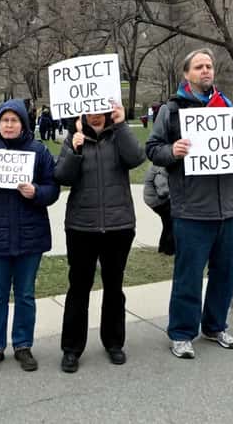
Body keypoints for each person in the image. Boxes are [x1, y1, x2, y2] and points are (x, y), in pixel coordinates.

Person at [146, 48, 233, 359]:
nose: (206, 71)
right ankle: (181, 332)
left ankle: (216, 325)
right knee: (189, 275)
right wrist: (173, 151)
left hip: (229, 207)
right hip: (192, 209)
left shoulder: (227, 106)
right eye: (199, 67)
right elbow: (152, 148)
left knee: (225, 273)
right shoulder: (173, 109)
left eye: (209, 66)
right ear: (187, 74)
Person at [0, 99, 60, 374]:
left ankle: (23, 345)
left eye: (13, 120)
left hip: (31, 235)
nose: (8, 125)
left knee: (26, 294)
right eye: (4, 121)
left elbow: (53, 188)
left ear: (23, 124)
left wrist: (36, 193)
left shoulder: (39, 151)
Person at [55, 103, 146, 373]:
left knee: (114, 287)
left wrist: (120, 124)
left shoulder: (118, 135)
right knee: (78, 288)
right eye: (89, 109)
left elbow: (136, 158)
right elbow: (62, 176)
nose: (95, 113)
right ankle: (71, 348)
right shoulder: (73, 139)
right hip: (81, 227)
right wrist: (75, 149)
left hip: (119, 227)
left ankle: (114, 342)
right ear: (81, 113)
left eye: (100, 108)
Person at [143, 164, 174, 255]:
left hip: (153, 200)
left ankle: (163, 248)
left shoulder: (157, 164)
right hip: (158, 201)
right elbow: (162, 192)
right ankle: (169, 250)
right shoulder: (161, 168)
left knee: (167, 224)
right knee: (171, 224)